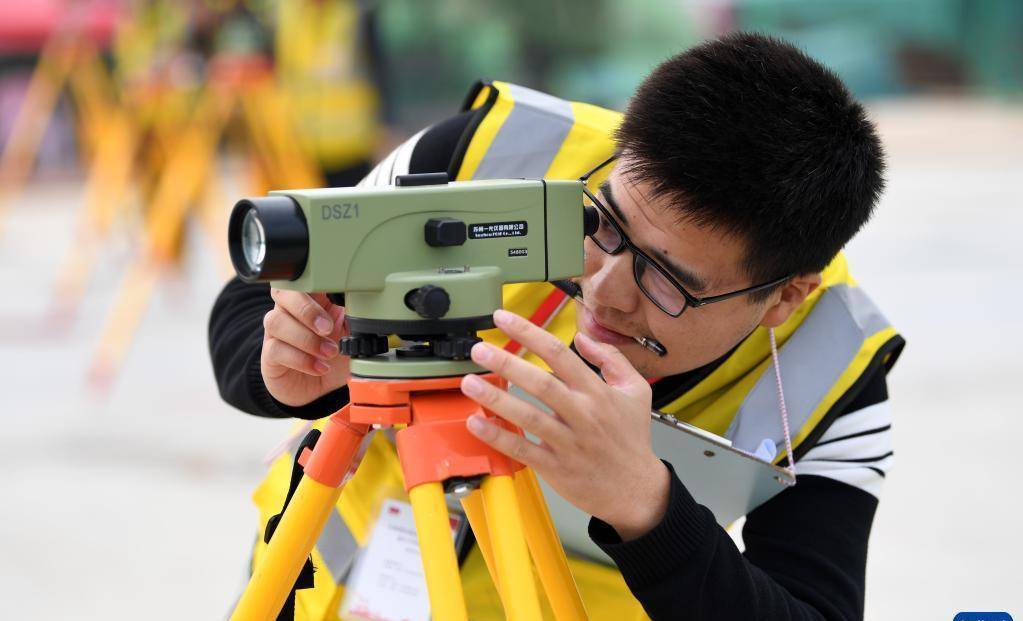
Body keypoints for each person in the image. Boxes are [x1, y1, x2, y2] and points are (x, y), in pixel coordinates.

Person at [209, 32, 904, 621]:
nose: (603, 289)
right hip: (322, 589)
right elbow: (252, 294)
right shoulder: (487, 156)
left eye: (667, 280)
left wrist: (648, 508)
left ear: (785, 295)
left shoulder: (833, 369)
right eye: (600, 224)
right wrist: (290, 373)